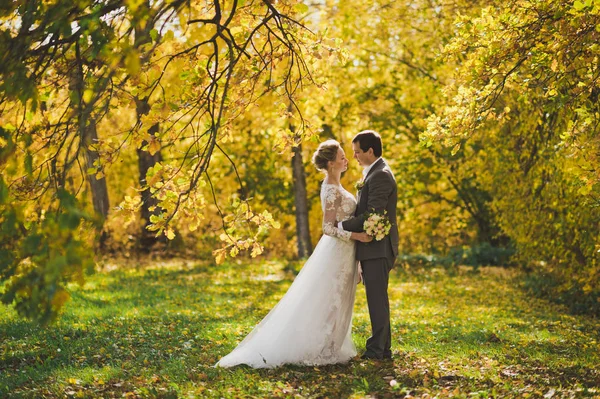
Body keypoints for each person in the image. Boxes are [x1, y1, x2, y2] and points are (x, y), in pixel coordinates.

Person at [215, 139, 371, 368]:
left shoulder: (337, 185)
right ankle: (319, 347)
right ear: (330, 164)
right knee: (328, 300)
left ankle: (332, 345)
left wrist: (357, 259)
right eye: (342, 157)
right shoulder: (329, 188)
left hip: (346, 253)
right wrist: (356, 236)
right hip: (336, 252)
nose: (347, 160)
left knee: (339, 300)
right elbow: (327, 228)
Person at [339, 130, 398, 360]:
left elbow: (373, 213)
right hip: (373, 247)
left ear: (370, 151)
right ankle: (382, 349)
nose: (354, 156)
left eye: (357, 152)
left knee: (376, 300)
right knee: (377, 299)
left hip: (378, 247)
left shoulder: (381, 175)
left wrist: (342, 225)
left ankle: (376, 351)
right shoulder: (374, 172)